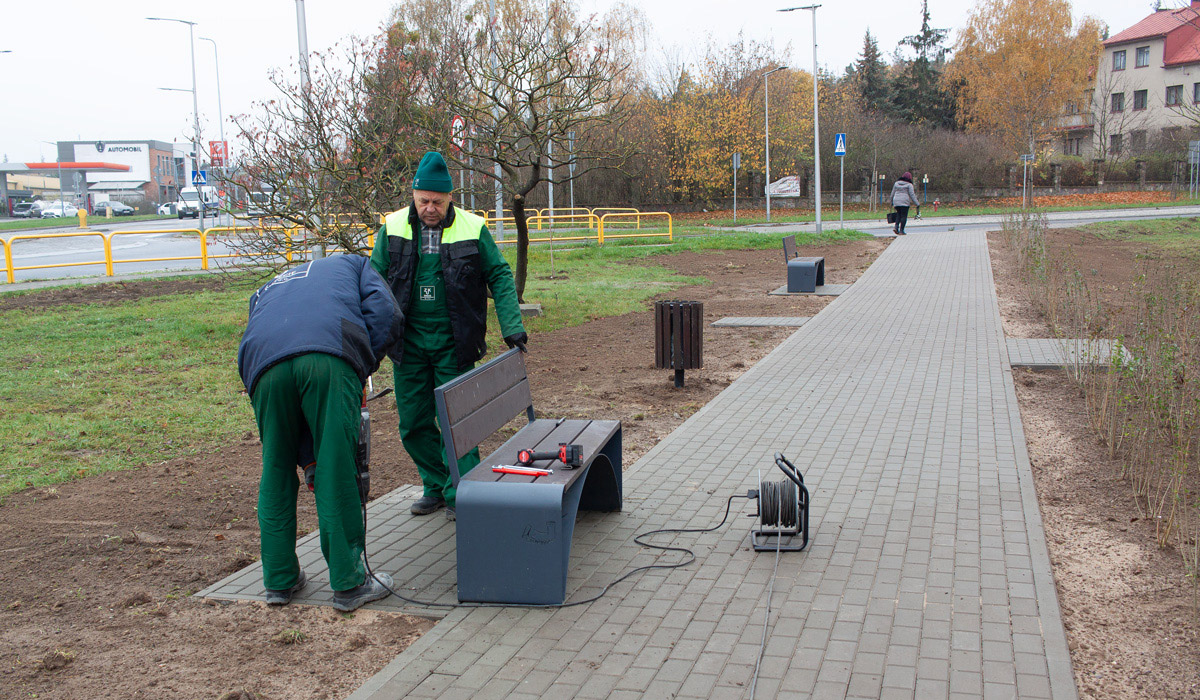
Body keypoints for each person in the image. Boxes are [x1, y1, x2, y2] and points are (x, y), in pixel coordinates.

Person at [237, 254, 404, 611]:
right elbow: (387, 314)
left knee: (276, 467)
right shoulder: (358, 265)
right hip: (329, 354)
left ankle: (279, 581)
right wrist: (361, 362)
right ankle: (349, 581)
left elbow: (273, 344)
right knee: (335, 466)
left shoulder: (268, 287)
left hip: (262, 363)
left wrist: (304, 455)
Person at [370, 151, 527, 521]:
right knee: (412, 424)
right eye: (423, 200)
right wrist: (367, 338)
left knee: (457, 422)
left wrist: (512, 326)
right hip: (406, 344)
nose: (429, 208)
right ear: (413, 195)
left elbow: (501, 276)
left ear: (450, 197)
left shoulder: (473, 228)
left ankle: (462, 492)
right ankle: (436, 483)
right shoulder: (391, 228)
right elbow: (371, 282)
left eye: (437, 202)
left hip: (455, 342)